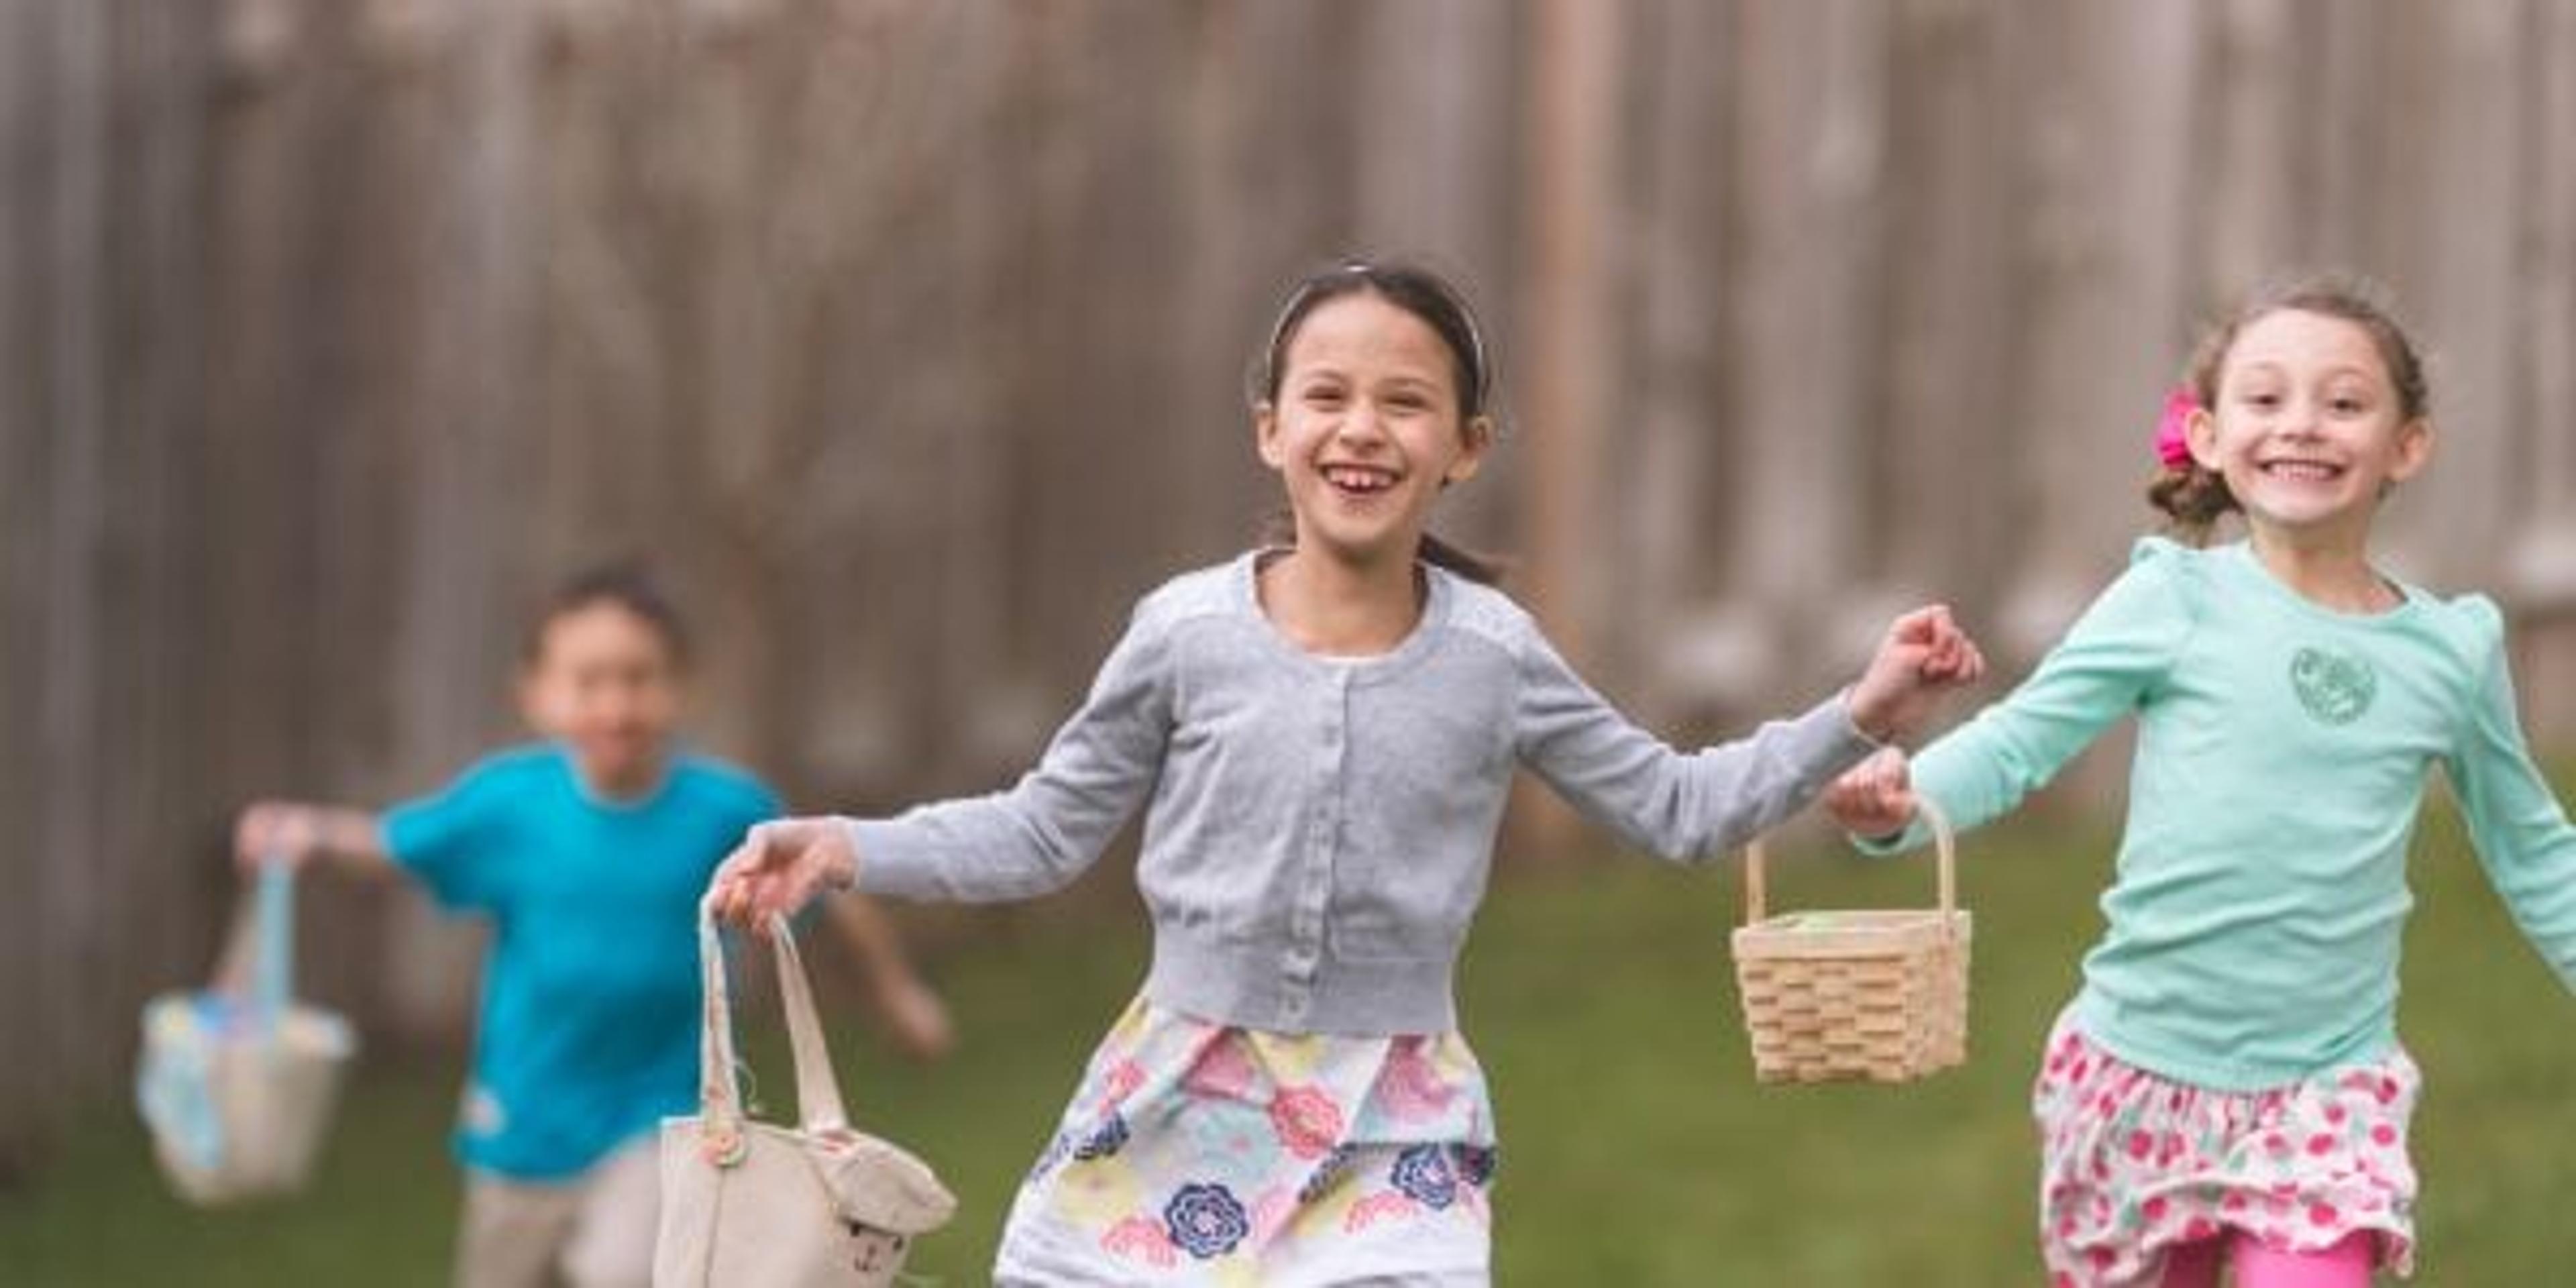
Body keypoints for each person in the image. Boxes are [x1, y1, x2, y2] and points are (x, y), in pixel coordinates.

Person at [706, 259, 1986, 1283]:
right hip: (1173, 1105)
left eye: (1406, 402)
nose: (1361, 428)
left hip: (1396, 1124)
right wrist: (846, 842)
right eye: (1326, 396)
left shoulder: (1495, 658)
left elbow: (1678, 809)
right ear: (1271, 431)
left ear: (1466, 448)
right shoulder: (1185, 634)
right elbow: (1042, 830)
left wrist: (1863, 711)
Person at [1821, 274, 2576, 1287]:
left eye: (2344, 402)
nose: (2302, 424)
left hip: (2327, 1087)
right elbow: (2019, 741)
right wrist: (1903, 807)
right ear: (2211, 437)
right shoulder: (2170, 597)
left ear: (2408, 445)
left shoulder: (2451, 648)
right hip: (2138, 1075)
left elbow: (2532, 847)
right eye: (2266, 400)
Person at [233, 562, 954, 1288]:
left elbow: (832, 897)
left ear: (681, 686)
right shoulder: (507, 806)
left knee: (622, 1271)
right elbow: (395, 846)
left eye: (638, 679)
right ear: (537, 695)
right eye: (587, 682)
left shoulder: (725, 811)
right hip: (524, 1123)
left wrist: (896, 995)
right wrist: (311, 834)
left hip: (659, 1114)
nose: (615, 706)